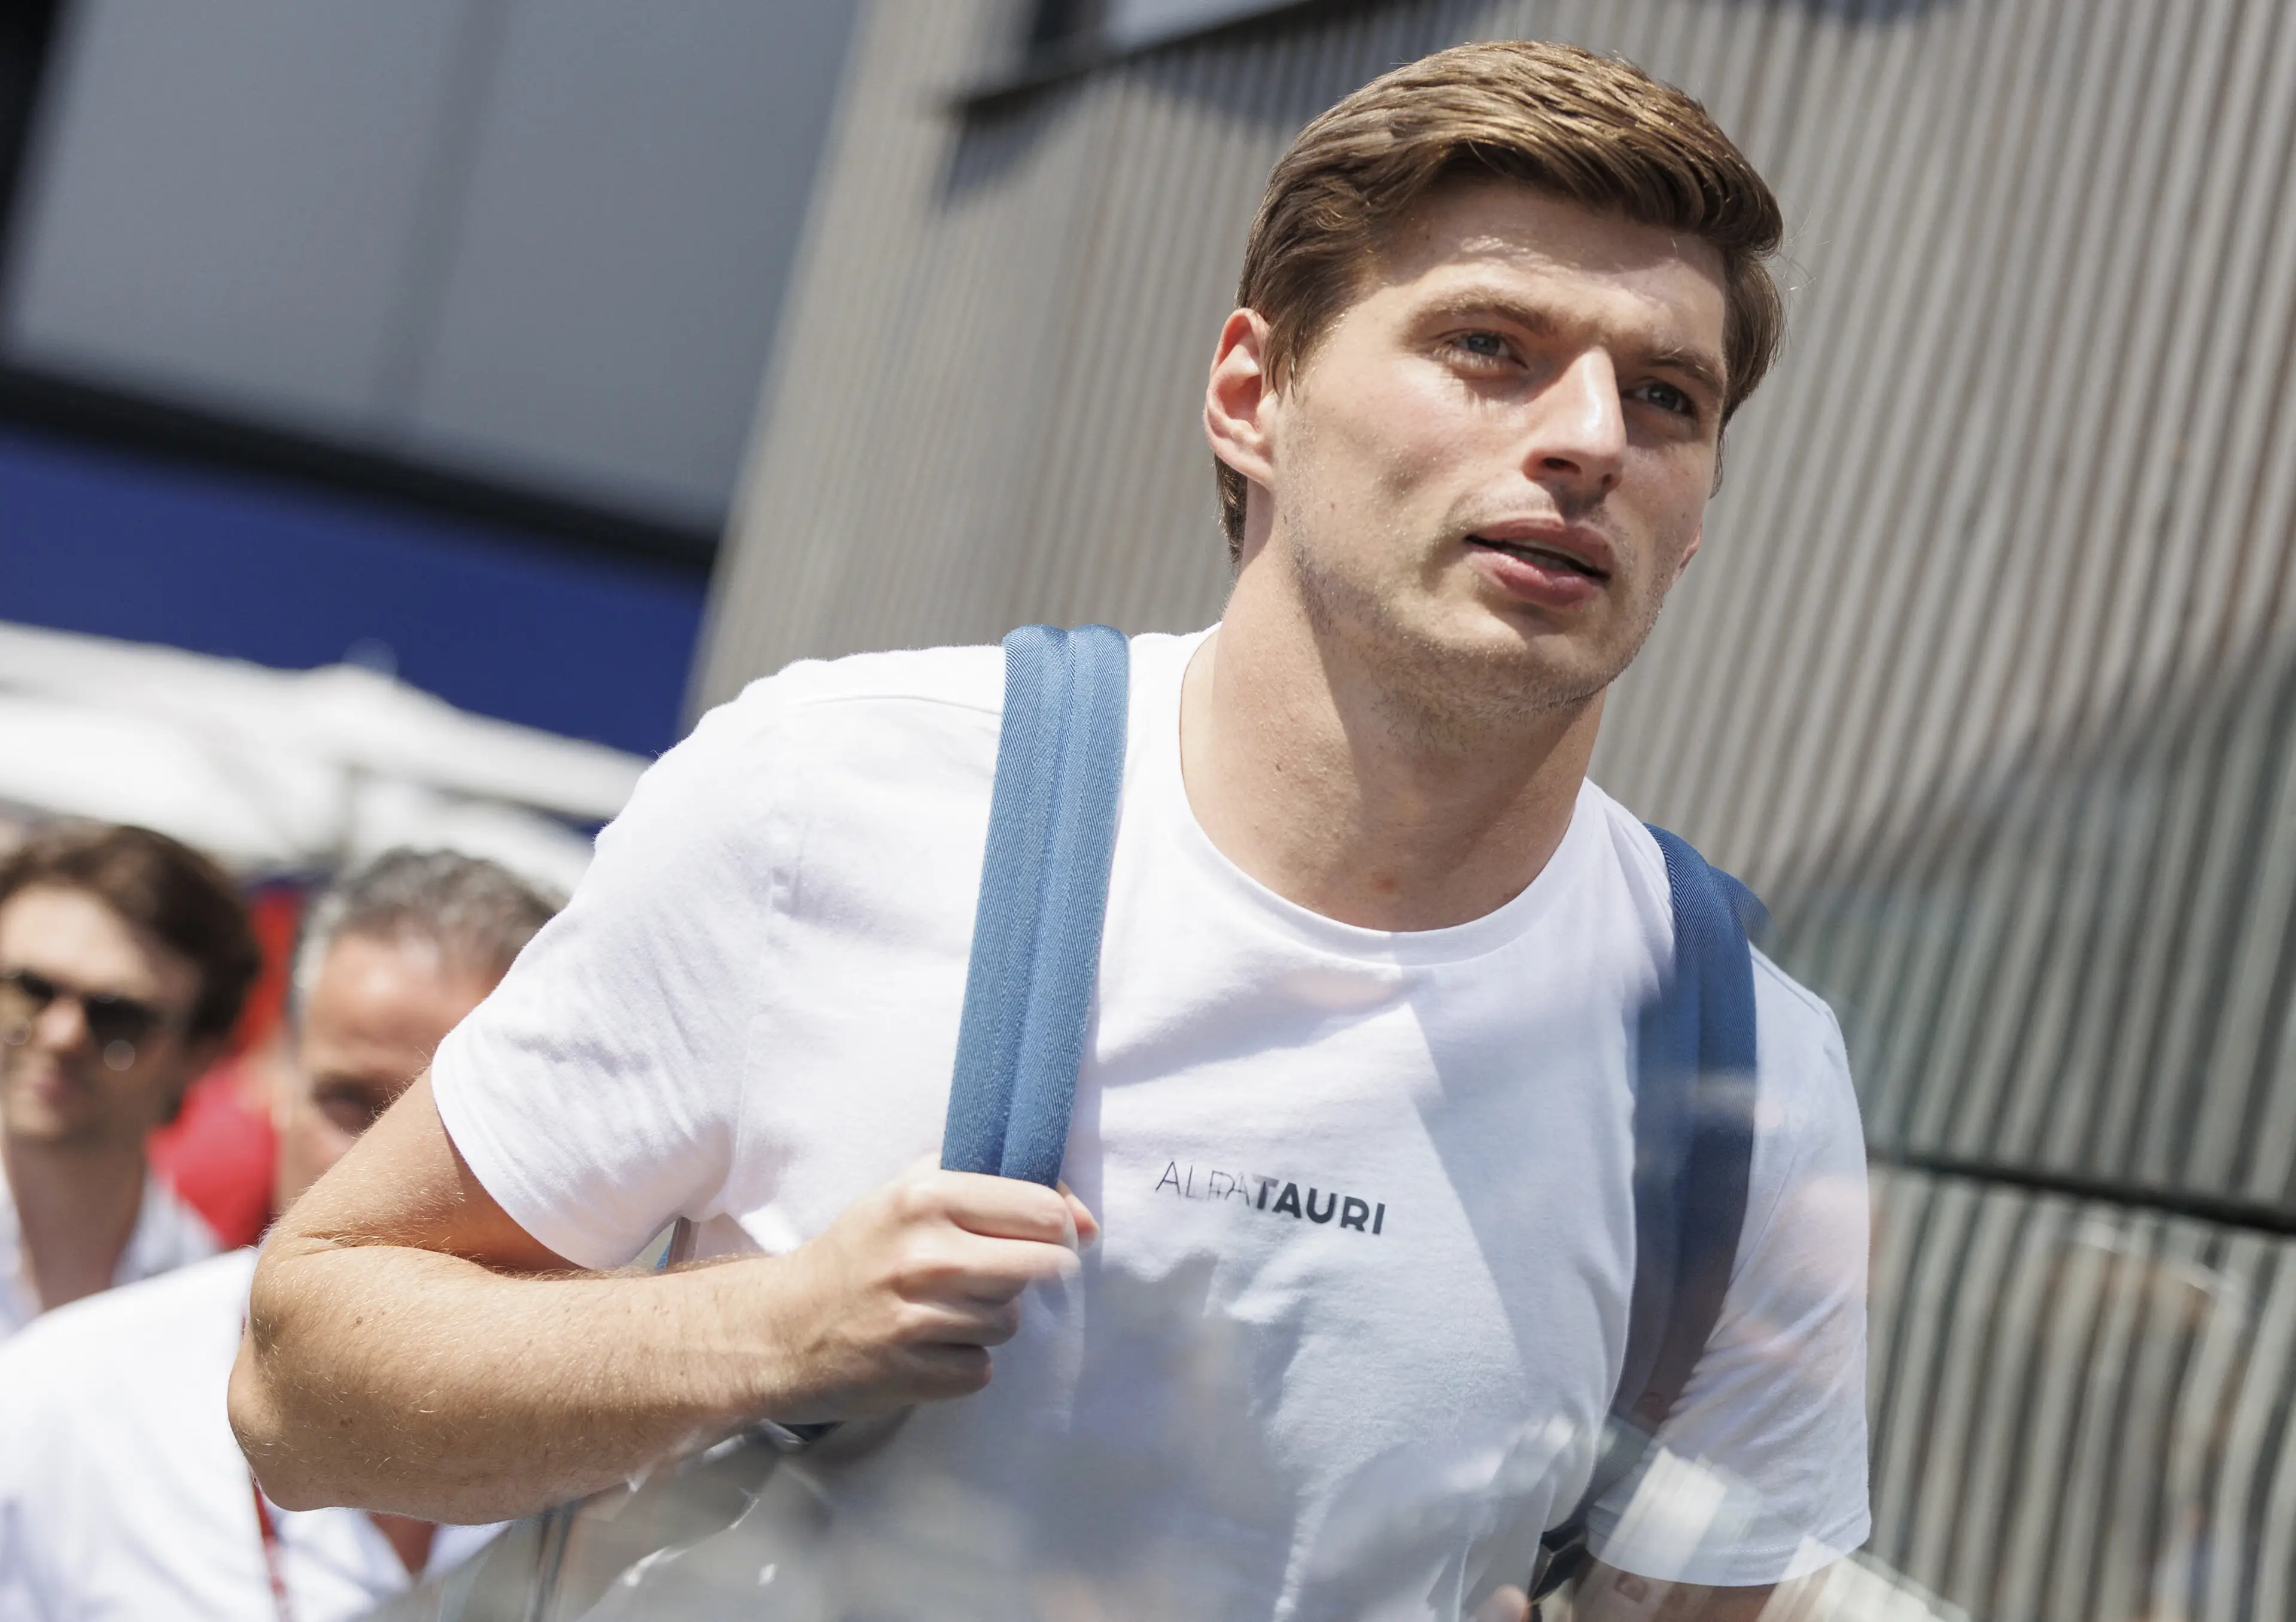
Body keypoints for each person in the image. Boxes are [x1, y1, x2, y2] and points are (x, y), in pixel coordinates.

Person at [233, 41, 1871, 1621]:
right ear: (1253, 393)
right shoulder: (844, 797)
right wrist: (765, 1326)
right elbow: (303, 1381)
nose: (1588, 435)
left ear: (1701, 505)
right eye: (1488, 346)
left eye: (1666, 394)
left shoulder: (1741, 1073)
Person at [0, 850, 559, 1621]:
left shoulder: (660, 1458)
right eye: (351, 1103)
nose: (391, 1163)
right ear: (275, 1089)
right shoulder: (65, 1402)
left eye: (462, 1121)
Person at [0, 821, 259, 1338]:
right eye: (29, 991)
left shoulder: (211, 1316)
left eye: (117, 1018)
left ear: (199, 1055)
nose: (61, 1034)